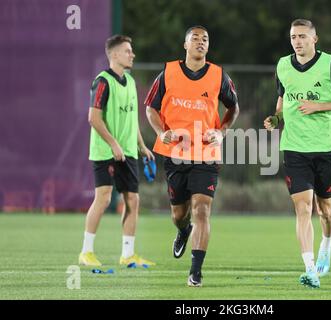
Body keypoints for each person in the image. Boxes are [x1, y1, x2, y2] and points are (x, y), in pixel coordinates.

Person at [264, 19, 331, 288]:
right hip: (294, 148)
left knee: (324, 209)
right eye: (293, 36)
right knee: (302, 208)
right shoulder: (283, 65)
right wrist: (276, 118)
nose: (297, 41)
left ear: (314, 39)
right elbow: (283, 99)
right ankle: (309, 268)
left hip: (326, 148)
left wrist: (318, 106)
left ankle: (326, 244)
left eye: (303, 36)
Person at [145, 26, 239, 287]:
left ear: (208, 46)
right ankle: (183, 231)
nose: (200, 42)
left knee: (202, 210)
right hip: (175, 153)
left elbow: (233, 107)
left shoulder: (219, 76)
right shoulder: (168, 72)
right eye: (195, 38)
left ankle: (195, 272)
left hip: (206, 154)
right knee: (179, 214)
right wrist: (160, 131)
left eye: (205, 39)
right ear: (185, 45)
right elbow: (150, 108)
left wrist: (222, 132)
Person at [79, 35, 156, 267]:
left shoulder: (130, 82)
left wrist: (142, 146)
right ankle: (86, 252)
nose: (132, 54)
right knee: (102, 199)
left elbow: (132, 120)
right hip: (105, 152)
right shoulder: (102, 81)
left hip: (129, 152)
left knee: (133, 200)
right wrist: (113, 143)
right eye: (127, 51)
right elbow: (93, 118)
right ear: (113, 55)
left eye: (131, 51)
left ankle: (128, 255)